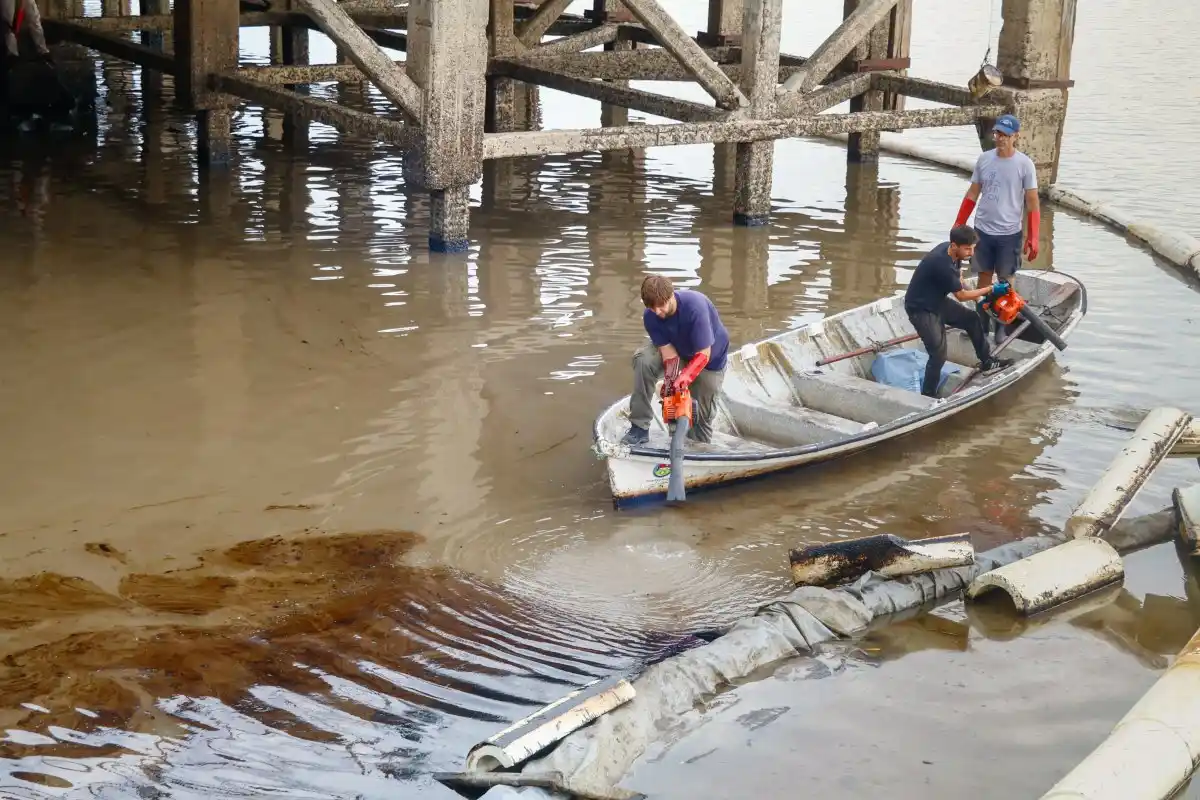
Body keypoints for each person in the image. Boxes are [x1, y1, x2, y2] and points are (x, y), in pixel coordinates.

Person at [952, 113, 1040, 337]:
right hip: (983, 230)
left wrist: (1034, 236)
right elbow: (973, 193)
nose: (1000, 138)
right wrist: (959, 223)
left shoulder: (1025, 165)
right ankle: (981, 325)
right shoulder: (985, 159)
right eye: (997, 133)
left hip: (1009, 233)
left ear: (1015, 137)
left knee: (1005, 281)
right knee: (983, 277)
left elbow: (1032, 203)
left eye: (1005, 135)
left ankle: (1001, 327)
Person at [904, 225, 1012, 398]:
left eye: (973, 248)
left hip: (937, 300)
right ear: (954, 246)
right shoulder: (941, 264)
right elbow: (961, 295)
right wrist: (990, 289)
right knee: (938, 354)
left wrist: (980, 298)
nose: (971, 252)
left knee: (972, 319)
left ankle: (987, 362)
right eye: (967, 249)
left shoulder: (952, 252)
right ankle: (927, 395)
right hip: (920, 309)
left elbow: (960, 280)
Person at [621, 275, 730, 447]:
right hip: (678, 348)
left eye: (661, 305)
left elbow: (703, 354)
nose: (657, 312)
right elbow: (669, 354)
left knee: (700, 417)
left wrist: (684, 379)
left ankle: (696, 447)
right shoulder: (651, 315)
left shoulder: (695, 307)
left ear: (671, 295)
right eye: (651, 307)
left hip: (710, 361)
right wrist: (672, 384)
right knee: (644, 360)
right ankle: (639, 427)